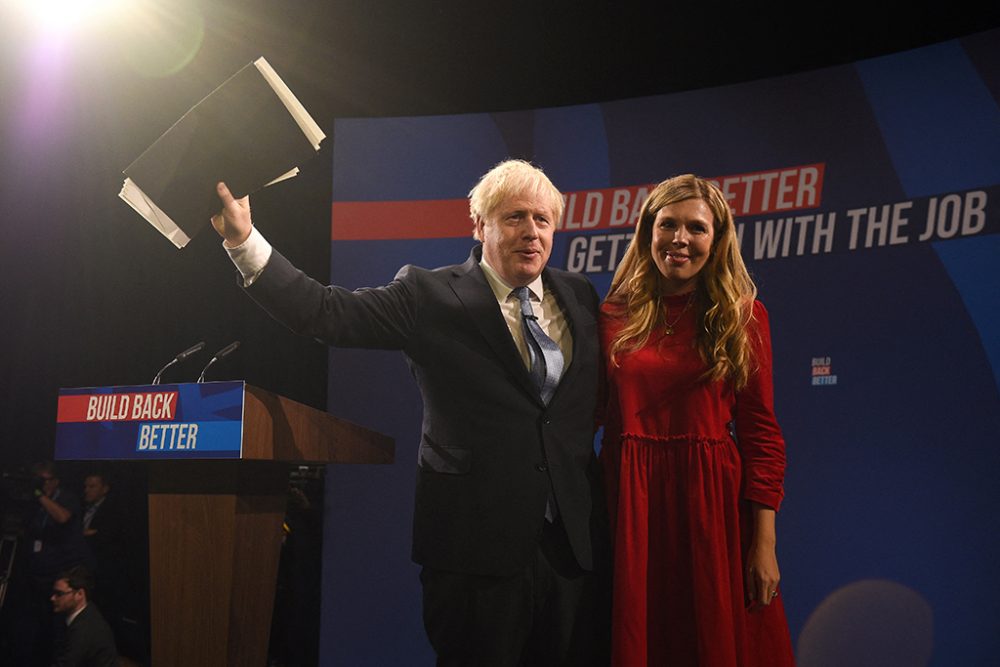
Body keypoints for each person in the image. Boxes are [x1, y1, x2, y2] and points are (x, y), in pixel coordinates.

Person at [212, 159, 607, 666]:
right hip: (473, 555)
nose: (531, 232)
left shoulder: (578, 295)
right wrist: (245, 242)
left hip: (570, 552)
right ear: (479, 225)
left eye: (542, 219)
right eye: (514, 218)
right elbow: (326, 312)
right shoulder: (429, 293)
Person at [599, 174, 794, 666]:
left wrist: (763, 544)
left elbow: (761, 435)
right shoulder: (611, 315)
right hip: (631, 507)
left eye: (696, 228)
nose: (680, 239)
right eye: (667, 225)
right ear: (647, 232)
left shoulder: (744, 317)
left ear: (718, 238)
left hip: (714, 508)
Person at [50, 565, 118, 667]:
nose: (52, 598)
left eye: (59, 594)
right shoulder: (87, 612)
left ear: (79, 594)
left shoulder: (85, 628)